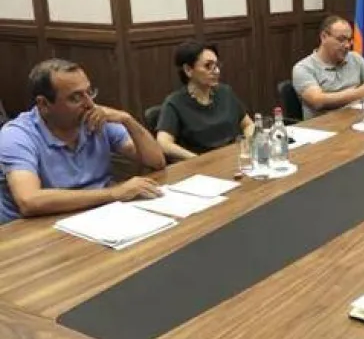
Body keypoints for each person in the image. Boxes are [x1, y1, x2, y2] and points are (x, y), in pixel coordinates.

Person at [0, 59, 165, 223]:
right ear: (43, 104)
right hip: (35, 227)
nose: (90, 104)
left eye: (89, 92)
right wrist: (114, 193)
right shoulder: (17, 135)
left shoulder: (96, 117)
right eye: (75, 97)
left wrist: (127, 120)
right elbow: (29, 201)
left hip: (95, 214)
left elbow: (156, 161)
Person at [156, 41, 253, 160]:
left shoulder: (225, 92)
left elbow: (248, 124)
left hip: (234, 159)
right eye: (208, 66)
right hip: (201, 163)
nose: (217, 71)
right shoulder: (175, 102)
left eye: (217, 65)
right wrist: (196, 159)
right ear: (188, 70)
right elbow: (163, 143)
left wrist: (248, 144)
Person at [292, 15, 364, 119]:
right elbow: (317, 101)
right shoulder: (303, 68)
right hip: (324, 126)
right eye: (341, 39)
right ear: (324, 37)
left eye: (349, 40)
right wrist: (356, 94)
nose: (347, 45)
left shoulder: (355, 58)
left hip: (358, 120)